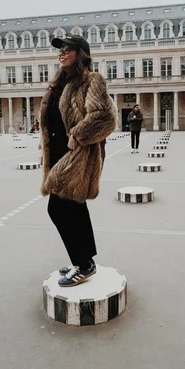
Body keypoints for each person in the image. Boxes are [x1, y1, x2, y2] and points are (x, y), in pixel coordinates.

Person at [39, 34, 116, 287]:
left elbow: (105, 117)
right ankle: (85, 260)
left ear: (80, 53)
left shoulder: (92, 80)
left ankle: (83, 264)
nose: (61, 53)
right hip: (58, 152)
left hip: (76, 155)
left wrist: (78, 135)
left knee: (57, 209)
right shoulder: (58, 83)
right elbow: (52, 120)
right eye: (60, 49)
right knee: (74, 207)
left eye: (67, 49)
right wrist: (45, 146)